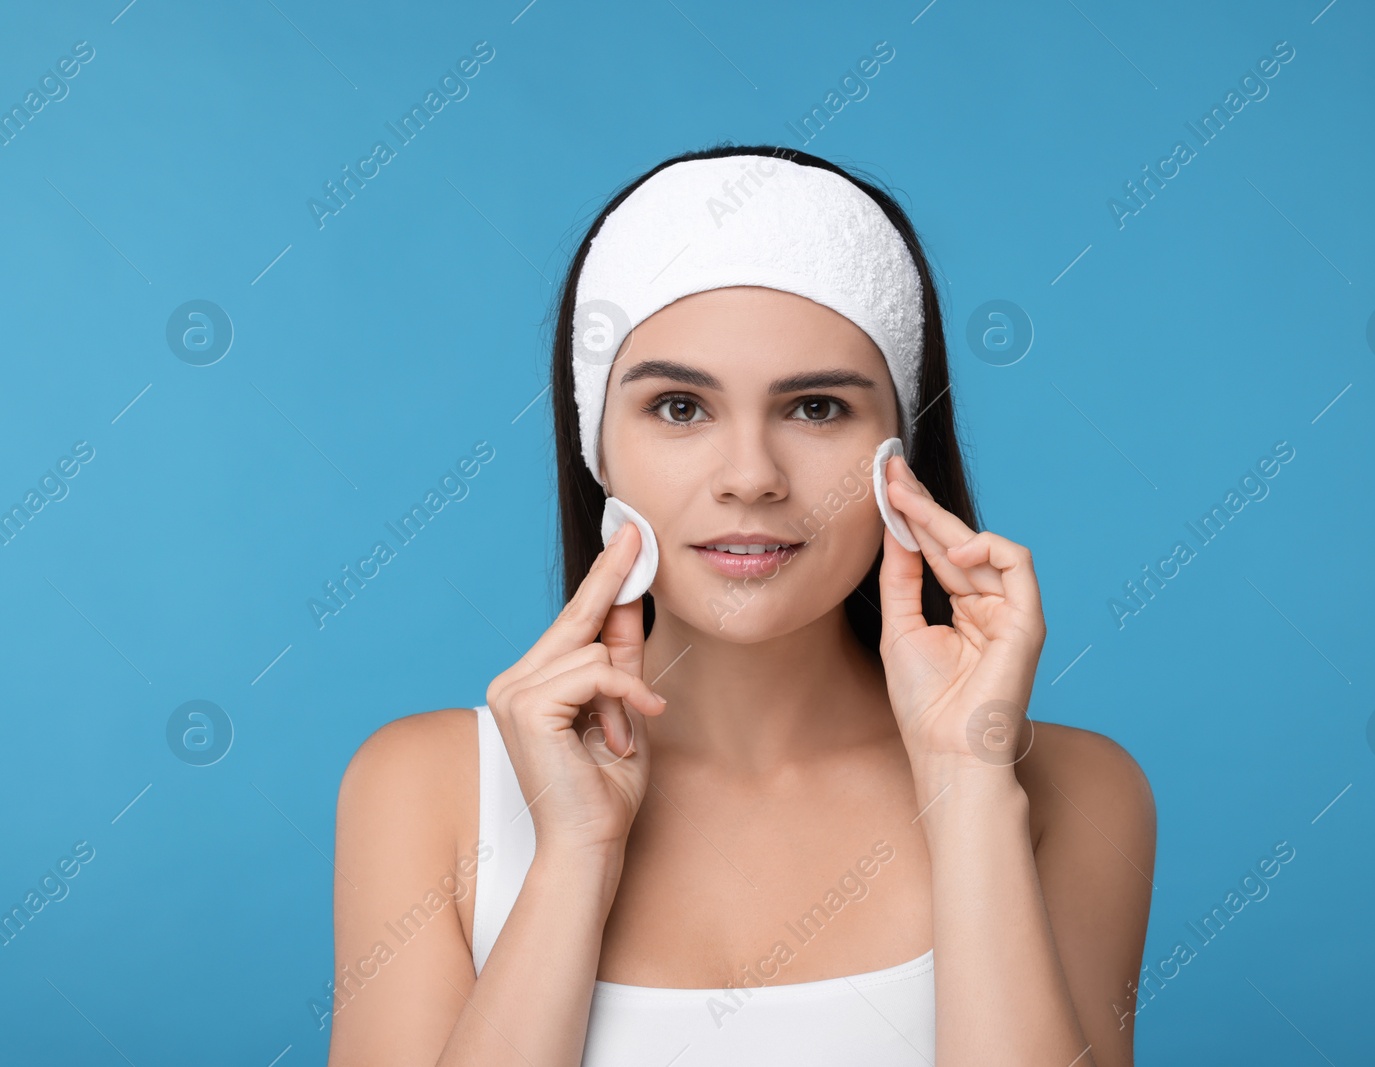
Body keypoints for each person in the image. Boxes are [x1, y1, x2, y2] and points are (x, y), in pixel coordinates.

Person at [329, 144, 1156, 1066]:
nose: (751, 478)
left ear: (902, 455)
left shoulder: (1073, 791)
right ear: (599, 448)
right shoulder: (425, 790)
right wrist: (574, 855)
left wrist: (966, 784)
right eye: (680, 408)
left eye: (816, 409)